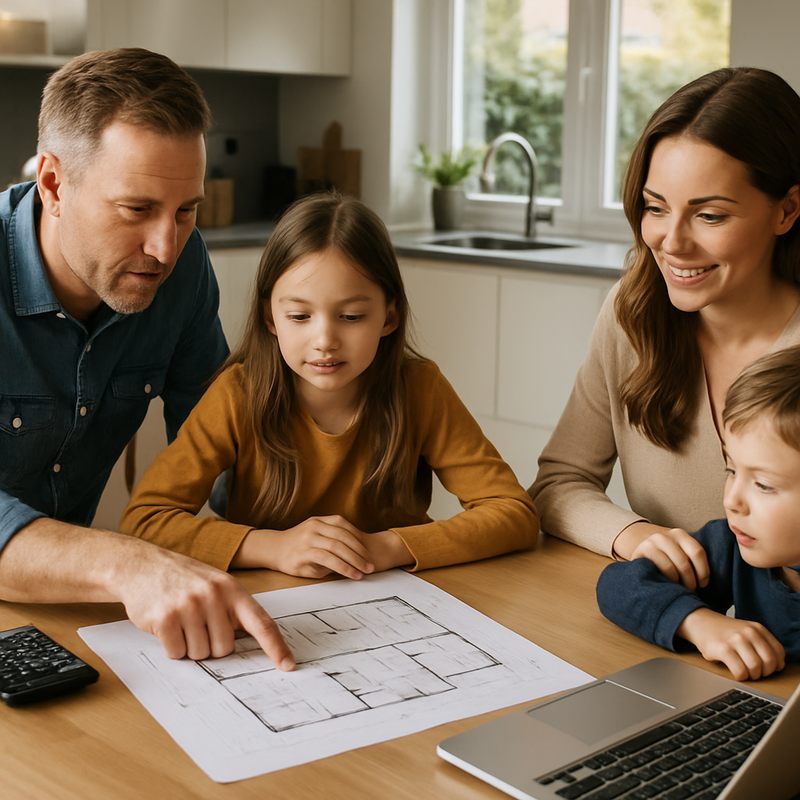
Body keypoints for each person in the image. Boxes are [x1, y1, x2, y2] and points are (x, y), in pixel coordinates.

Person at [0, 48, 293, 671]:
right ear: (54, 184)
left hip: (68, 615)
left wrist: (302, 519)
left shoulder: (183, 272)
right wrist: (129, 563)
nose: (165, 247)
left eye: (187, 211)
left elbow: (219, 444)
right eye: (137, 209)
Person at [120, 192, 538, 577]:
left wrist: (385, 547)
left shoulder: (420, 389)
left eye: (352, 317)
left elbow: (514, 514)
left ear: (388, 317)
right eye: (300, 317)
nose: (325, 341)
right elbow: (145, 519)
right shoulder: (238, 394)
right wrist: (272, 548)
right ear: (271, 319)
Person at [530, 66, 800, 587]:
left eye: (710, 216)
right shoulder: (632, 314)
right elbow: (560, 483)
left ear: (787, 209)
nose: (671, 242)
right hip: (676, 631)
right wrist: (635, 536)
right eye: (656, 208)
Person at [596, 346, 800, 681]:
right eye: (731, 470)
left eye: (763, 485)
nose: (732, 499)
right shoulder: (732, 545)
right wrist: (700, 623)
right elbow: (618, 585)